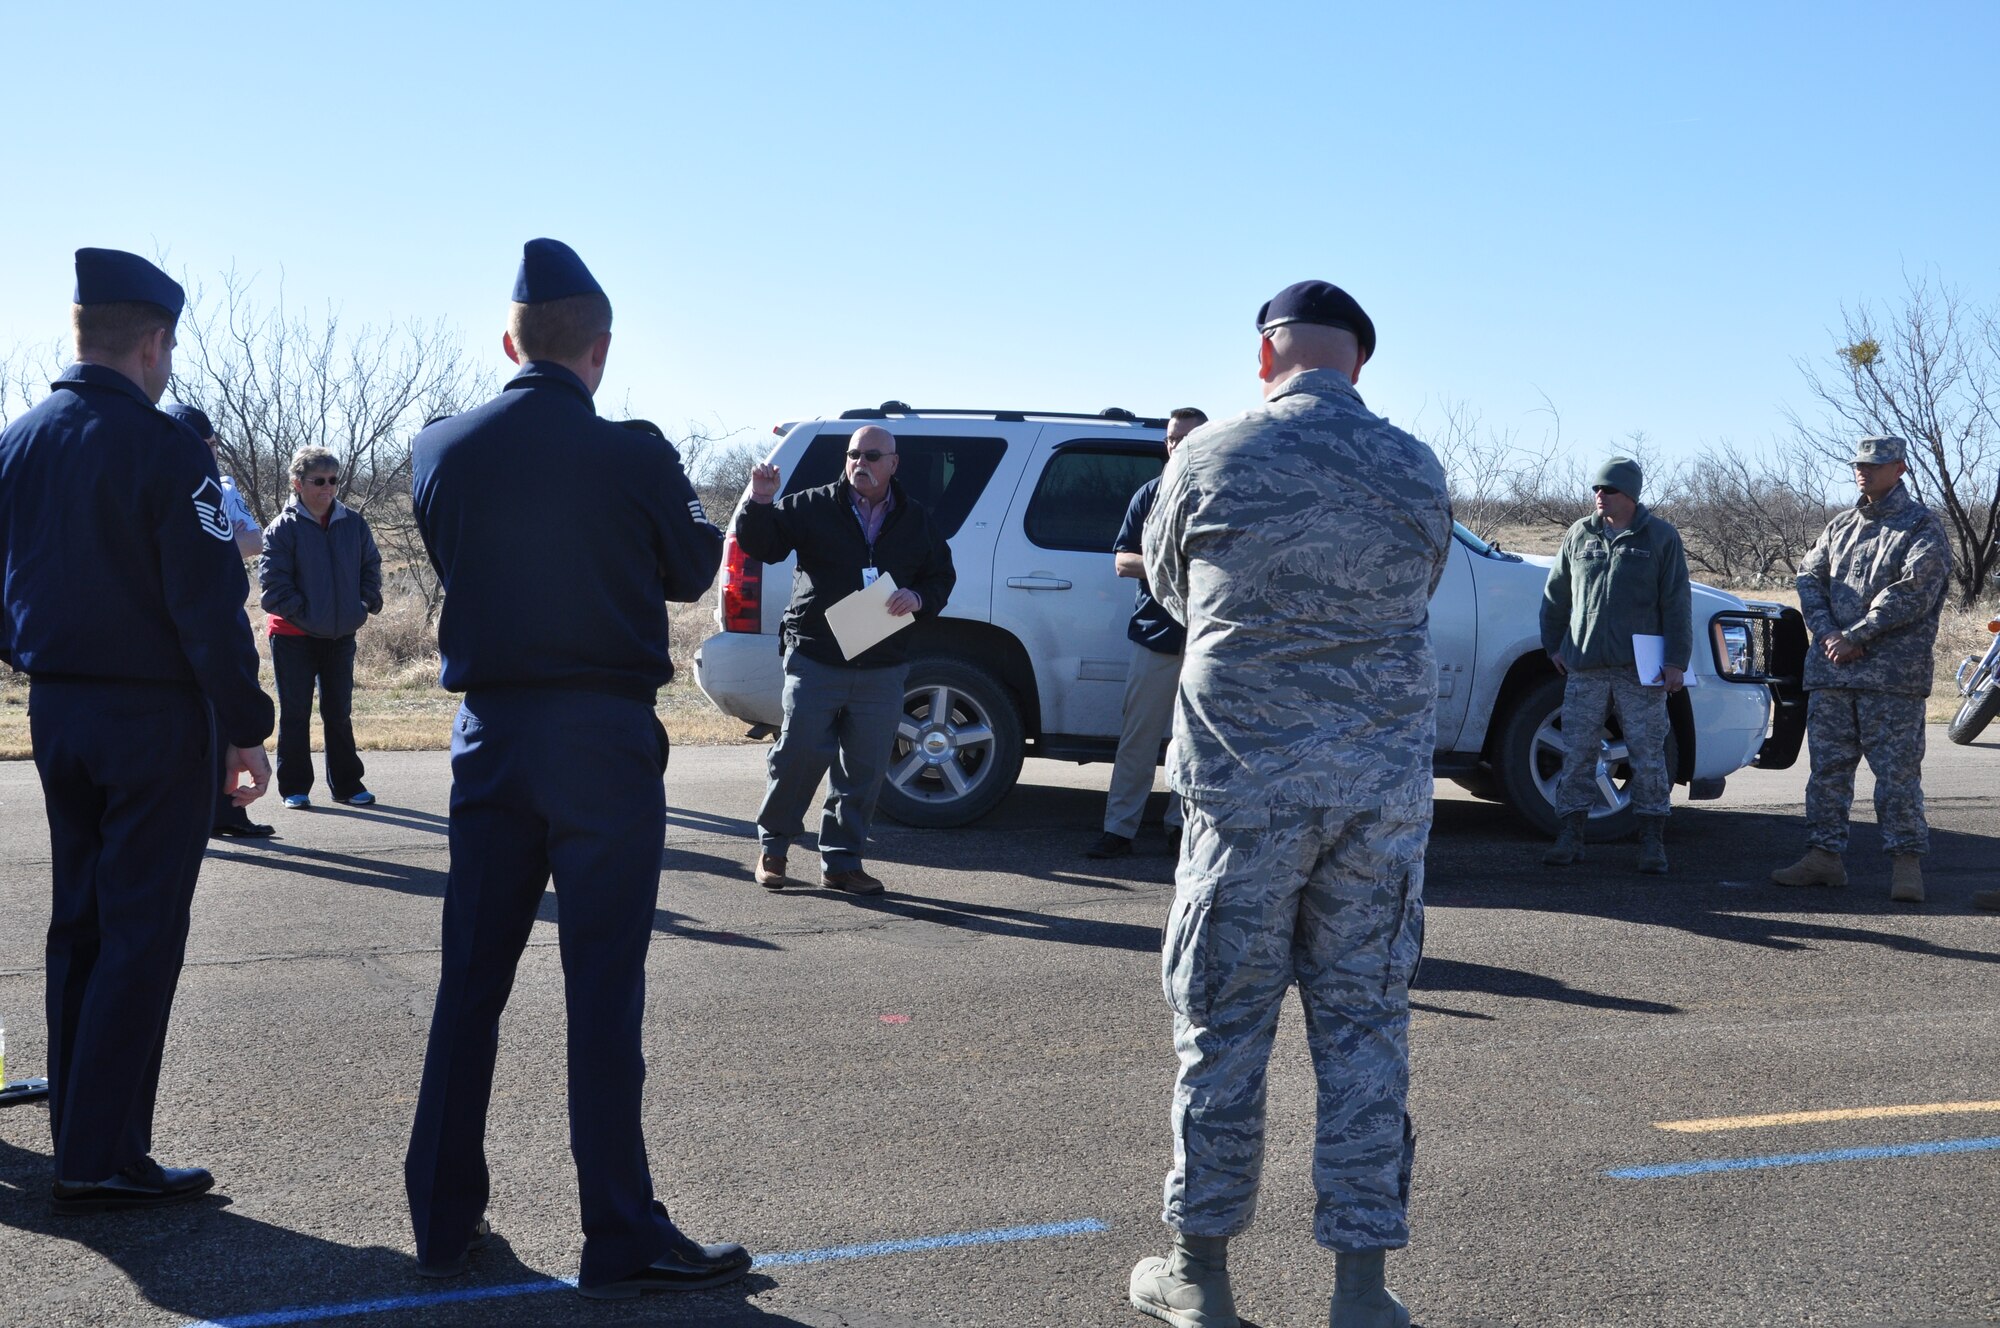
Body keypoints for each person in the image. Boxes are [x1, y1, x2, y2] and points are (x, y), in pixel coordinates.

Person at [404, 238, 743, 1299]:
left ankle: (439, 1212)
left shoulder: (437, 449)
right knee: (602, 989)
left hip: (491, 734)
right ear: (599, 349)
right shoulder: (633, 451)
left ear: (512, 341)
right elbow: (693, 566)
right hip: (598, 735)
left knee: (471, 982)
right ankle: (618, 1227)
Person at [1130, 281, 1451, 1328]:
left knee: (1221, 1030)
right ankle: (1358, 1289)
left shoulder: (1210, 454)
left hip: (1245, 797)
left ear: (1264, 358)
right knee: (1364, 1033)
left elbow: (1172, 589)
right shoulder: (1411, 464)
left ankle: (1200, 1274)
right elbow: (1422, 582)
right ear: (1356, 363)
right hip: (1374, 800)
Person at [0, 248, 272, 1213]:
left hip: (58, 707)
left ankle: (82, 1124)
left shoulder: (19, 440)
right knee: (141, 931)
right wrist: (247, 725)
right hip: (151, 715)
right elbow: (208, 605)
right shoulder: (166, 451)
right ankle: (104, 1150)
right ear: (154, 341)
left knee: (79, 922)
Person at [733, 423, 957, 895]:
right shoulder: (812, 504)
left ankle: (842, 862)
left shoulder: (916, 518)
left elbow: (941, 575)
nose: (861, 463)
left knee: (864, 767)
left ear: (894, 464)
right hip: (816, 655)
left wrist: (919, 597)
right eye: (854, 454)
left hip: (882, 662)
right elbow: (762, 545)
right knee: (798, 755)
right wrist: (759, 500)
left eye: (873, 455)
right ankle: (774, 849)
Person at [1771, 435, 1952, 903]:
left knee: (1896, 775)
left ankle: (1906, 865)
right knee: (1828, 770)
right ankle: (1823, 858)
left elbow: (1913, 590)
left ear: (1900, 469)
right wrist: (1830, 634)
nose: (1863, 471)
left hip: (1891, 678)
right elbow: (1809, 578)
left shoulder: (1921, 527)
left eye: (1875, 465)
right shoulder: (1840, 526)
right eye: (1859, 464)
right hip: (1832, 673)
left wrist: (1858, 635)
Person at [1536, 457, 1691, 874]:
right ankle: (1570, 835)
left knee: (1647, 754)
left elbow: (1676, 603)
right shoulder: (1579, 534)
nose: (1599, 496)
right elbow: (1556, 596)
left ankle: (1652, 839)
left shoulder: (1659, 537)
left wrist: (1676, 661)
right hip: (1585, 667)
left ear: (1630, 495)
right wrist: (1555, 645)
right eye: (1596, 490)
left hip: (1638, 670)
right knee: (1577, 753)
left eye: (1609, 490)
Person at [1084, 406, 1206, 861]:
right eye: (1172, 438)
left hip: (1207, 640)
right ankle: (1119, 830)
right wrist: (1178, 566)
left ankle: (1180, 829)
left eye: (1187, 438)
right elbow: (1122, 562)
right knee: (1138, 739)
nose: (1177, 445)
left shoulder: (1224, 495)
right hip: (1155, 634)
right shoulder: (1149, 495)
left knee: (1195, 740)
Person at [164, 403, 276, 840]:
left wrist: (208, 548)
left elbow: (254, 539)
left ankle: (228, 812)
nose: (210, 452)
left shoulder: (223, 487)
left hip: (219, 615)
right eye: (203, 444)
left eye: (212, 444)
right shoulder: (158, 481)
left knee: (226, 713)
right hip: (176, 630)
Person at [259, 446, 383, 809]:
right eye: (319, 481)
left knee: (338, 712)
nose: (327, 487)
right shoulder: (281, 529)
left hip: (341, 635)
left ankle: (347, 785)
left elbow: (371, 568)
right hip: (292, 636)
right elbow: (274, 587)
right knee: (295, 713)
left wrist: (362, 605)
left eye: (333, 480)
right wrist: (306, 614)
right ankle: (294, 788)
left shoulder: (354, 523)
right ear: (298, 484)